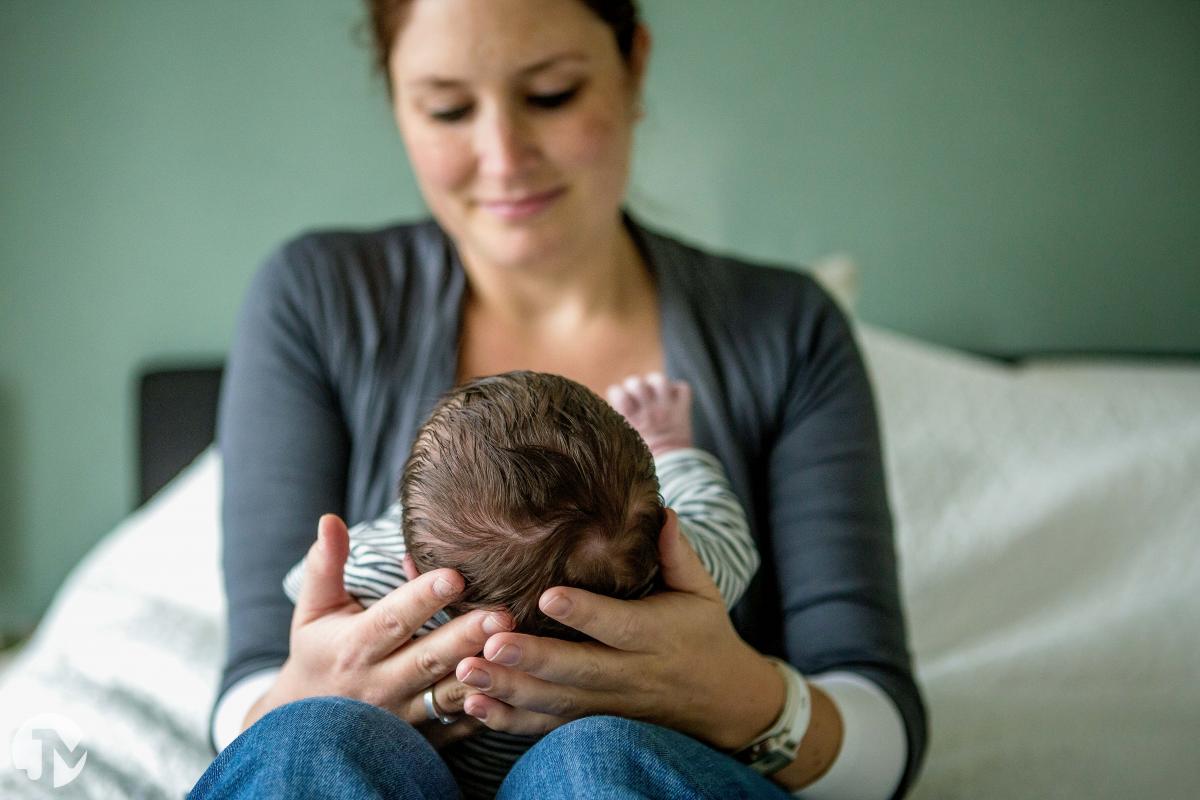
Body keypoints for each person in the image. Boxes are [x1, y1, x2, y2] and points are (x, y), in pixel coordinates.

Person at [194, 0, 927, 797]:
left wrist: (738, 700)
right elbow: (254, 689)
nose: (503, 157)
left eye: (551, 95)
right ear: (397, 102)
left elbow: (880, 732)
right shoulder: (317, 302)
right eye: (447, 108)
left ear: (633, 65)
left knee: (596, 763)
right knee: (306, 743)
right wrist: (313, 691)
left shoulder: (784, 330)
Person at [280, 369, 759, 798]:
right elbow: (717, 519)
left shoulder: (381, 577)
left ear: (415, 575)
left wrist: (395, 526)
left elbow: (310, 589)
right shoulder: (684, 577)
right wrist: (671, 444)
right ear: (662, 533)